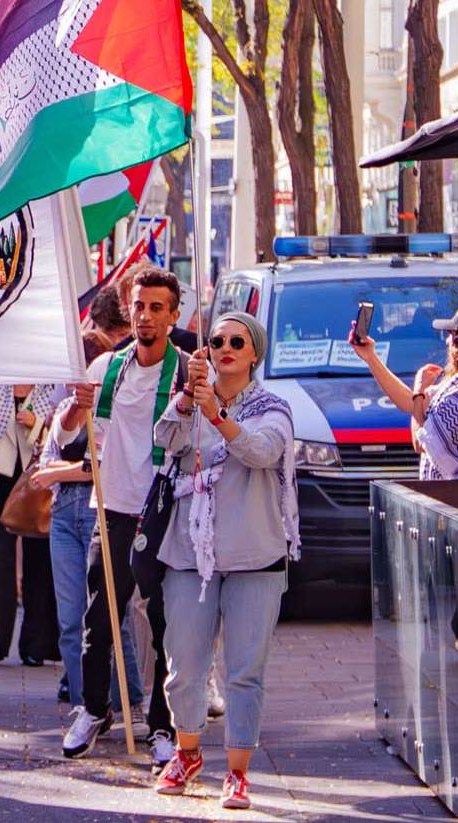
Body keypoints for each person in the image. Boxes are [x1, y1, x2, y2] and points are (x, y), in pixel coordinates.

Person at [150, 313, 298, 810]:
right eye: (218, 341)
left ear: (254, 352)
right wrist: (189, 399)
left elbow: (260, 452)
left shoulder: (273, 407)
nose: (226, 348)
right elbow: (163, 440)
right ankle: (187, 753)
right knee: (184, 666)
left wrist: (216, 415)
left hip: (255, 555)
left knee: (244, 671)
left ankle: (237, 773)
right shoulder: (194, 398)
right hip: (190, 554)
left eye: (238, 341)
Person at [53, 268, 186, 768]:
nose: (146, 316)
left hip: (163, 510)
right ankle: (93, 709)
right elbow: (65, 438)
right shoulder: (107, 367)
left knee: (162, 620)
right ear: (127, 310)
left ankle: (161, 725)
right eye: (139, 307)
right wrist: (73, 408)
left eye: (157, 308)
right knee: (99, 614)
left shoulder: (185, 372)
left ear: (174, 316)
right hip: (111, 507)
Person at [29, 331, 142, 710]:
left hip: (99, 509)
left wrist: (64, 471)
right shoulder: (66, 407)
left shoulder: (117, 404)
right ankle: (84, 704)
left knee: (110, 613)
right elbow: (49, 454)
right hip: (63, 515)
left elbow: (110, 464)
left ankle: (129, 702)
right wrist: (66, 468)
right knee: (70, 618)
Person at [0, 384, 60, 668]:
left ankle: (37, 645)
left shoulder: (50, 387)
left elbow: (60, 438)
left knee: (40, 562)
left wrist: (37, 426)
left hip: (38, 481)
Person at [354, 302, 458, 480]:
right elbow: (410, 404)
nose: (447, 341)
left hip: (457, 503)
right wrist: (370, 356)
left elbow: (421, 442)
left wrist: (419, 393)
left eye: (451, 334)